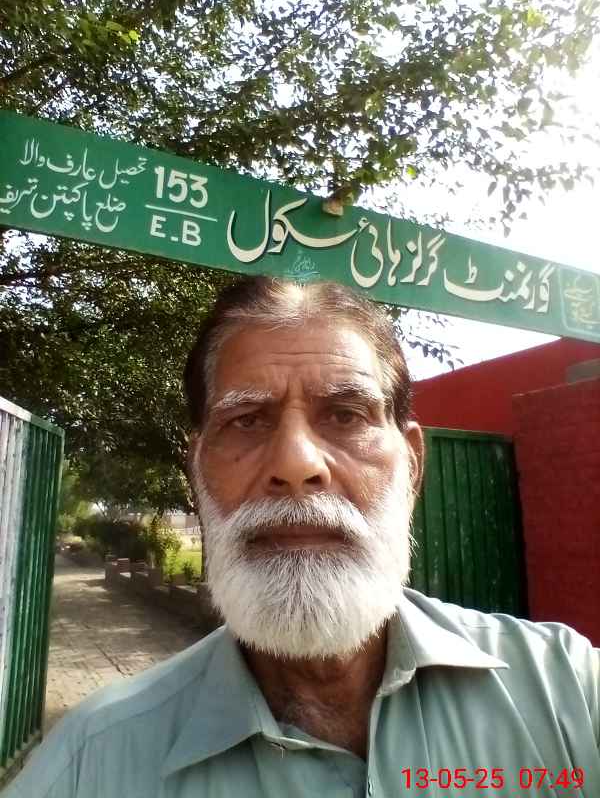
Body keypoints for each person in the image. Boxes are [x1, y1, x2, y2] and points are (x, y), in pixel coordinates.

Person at [3, 276, 599, 798]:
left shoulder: (567, 693)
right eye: (246, 420)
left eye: (346, 415)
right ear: (196, 472)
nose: (295, 463)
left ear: (413, 467)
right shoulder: (90, 763)